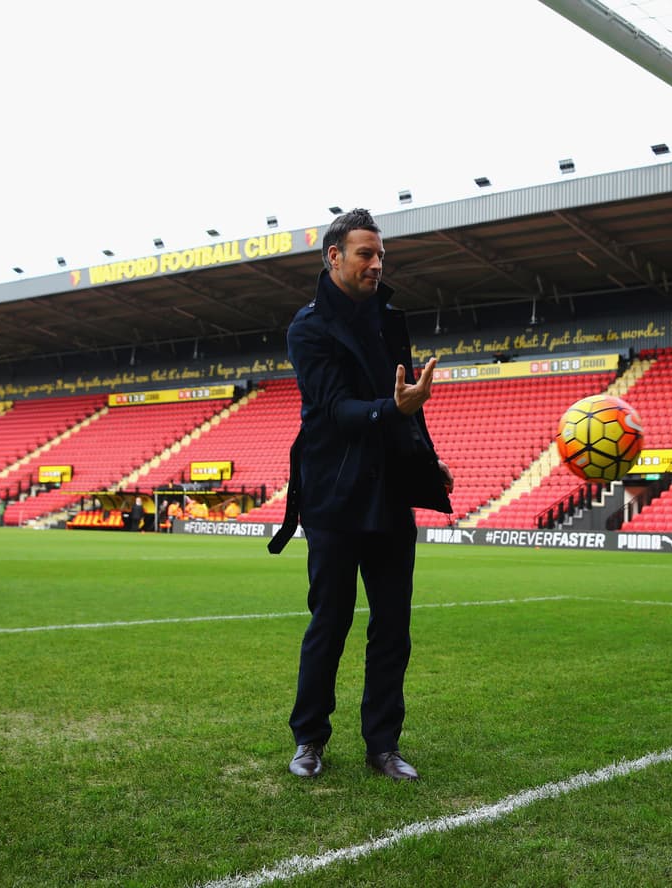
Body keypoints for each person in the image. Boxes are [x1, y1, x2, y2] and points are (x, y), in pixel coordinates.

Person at [269, 208, 452, 782]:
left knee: (393, 627)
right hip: (333, 493)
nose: (377, 264)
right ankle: (309, 739)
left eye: (381, 255)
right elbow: (334, 410)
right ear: (335, 257)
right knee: (330, 622)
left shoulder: (390, 319)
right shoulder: (307, 328)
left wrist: (428, 458)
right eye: (366, 254)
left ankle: (383, 745)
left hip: (389, 492)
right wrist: (391, 409)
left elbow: (409, 405)